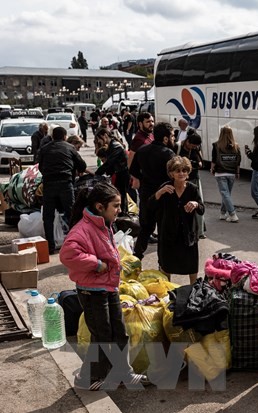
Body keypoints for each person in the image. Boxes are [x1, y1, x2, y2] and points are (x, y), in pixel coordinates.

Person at [60, 182, 149, 391]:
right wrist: (97, 264)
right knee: (102, 336)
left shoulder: (103, 224)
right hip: (92, 292)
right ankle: (88, 378)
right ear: (100, 207)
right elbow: (68, 254)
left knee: (119, 333)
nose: (119, 210)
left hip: (108, 288)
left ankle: (123, 374)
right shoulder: (83, 229)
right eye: (116, 206)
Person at [151, 156, 205, 284]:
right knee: (166, 264)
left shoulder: (192, 189)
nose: (181, 173)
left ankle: (193, 291)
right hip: (168, 233)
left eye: (184, 170)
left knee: (191, 265)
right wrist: (159, 193)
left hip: (188, 234)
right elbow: (150, 206)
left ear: (188, 172)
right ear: (171, 173)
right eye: (177, 171)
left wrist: (196, 204)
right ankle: (167, 291)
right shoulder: (166, 187)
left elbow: (202, 209)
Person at [129, 122, 176, 260]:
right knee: (163, 230)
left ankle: (136, 258)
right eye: (172, 136)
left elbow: (133, 170)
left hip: (146, 195)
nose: (174, 139)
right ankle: (163, 263)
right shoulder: (169, 154)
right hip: (164, 196)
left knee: (145, 228)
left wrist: (144, 179)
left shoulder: (142, 150)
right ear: (165, 138)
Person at [38, 126, 87, 255]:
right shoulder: (70, 148)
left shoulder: (44, 149)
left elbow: (40, 167)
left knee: (48, 217)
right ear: (65, 137)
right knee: (72, 214)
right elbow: (82, 165)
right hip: (66, 184)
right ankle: (74, 245)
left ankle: (50, 247)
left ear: (52, 137)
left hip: (49, 185)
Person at [177, 129, 206, 239]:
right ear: (187, 141)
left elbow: (200, 163)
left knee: (197, 204)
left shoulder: (196, 148)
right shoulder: (178, 146)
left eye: (195, 147)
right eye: (192, 146)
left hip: (194, 178)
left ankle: (199, 231)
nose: (193, 148)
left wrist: (191, 163)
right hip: (181, 180)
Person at [95, 127, 130, 215]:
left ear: (105, 136)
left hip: (123, 173)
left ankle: (123, 213)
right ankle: (122, 213)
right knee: (121, 193)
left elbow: (109, 163)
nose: (100, 142)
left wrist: (97, 173)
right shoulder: (112, 145)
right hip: (120, 172)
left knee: (121, 194)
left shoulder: (115, 146)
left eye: (100, 139)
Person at [210, 125, 241, 222]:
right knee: (226, 194)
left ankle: (233, 214)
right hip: (231, 173)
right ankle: (222, 213)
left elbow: (214, 159)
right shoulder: (236, 146)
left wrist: (212, 169)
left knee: (225, 194)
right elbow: (238, 161)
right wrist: (237, 172)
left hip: (220, 172)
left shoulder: (216, 145)